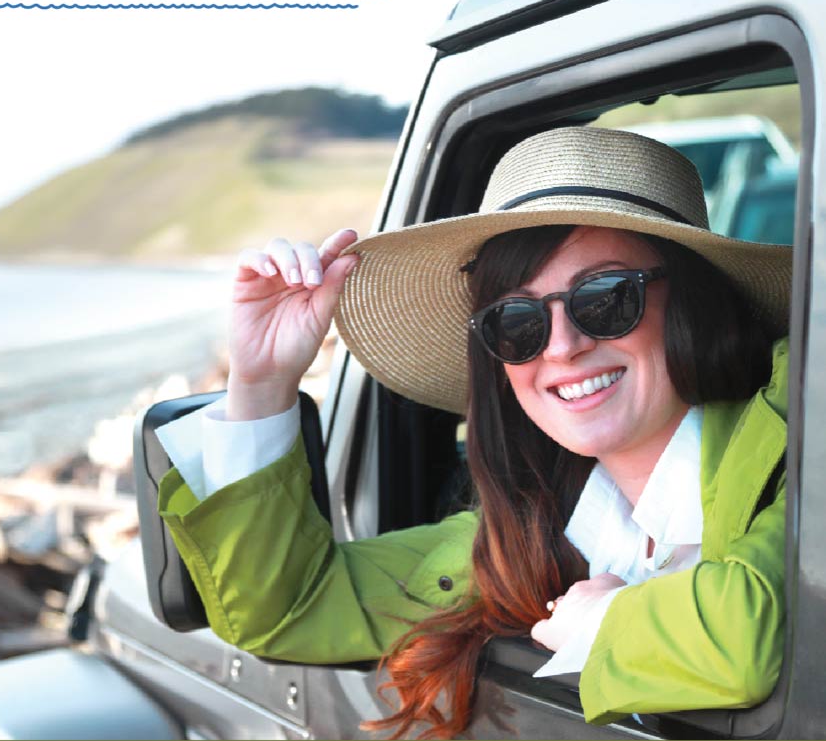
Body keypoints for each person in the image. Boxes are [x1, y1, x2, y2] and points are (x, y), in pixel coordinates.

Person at [156, 126, 791, 738]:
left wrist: (602, 620)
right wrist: (262, 383)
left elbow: (763, 637)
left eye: (604, 297)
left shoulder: (798, 448)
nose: (564, 347)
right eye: (517, 322)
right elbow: (290, 610)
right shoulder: (517, 540)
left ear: (690, 302)